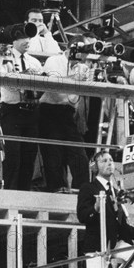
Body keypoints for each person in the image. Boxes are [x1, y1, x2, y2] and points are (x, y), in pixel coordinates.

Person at [38, 34, 92, 192]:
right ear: (72, 48)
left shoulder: (82, 67)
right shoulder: (54, 60)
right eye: (83, 50)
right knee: (53, 156)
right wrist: (75, 79)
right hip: (50, 111)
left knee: (80, 157)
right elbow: (55, 90)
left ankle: (81, 193)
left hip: (68, 113)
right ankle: (57, 191)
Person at [0, 30, 43, 190]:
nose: (27, 40)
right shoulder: (2, 58)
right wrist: (22, 76)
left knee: (29, 154)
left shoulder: (34, 62)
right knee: (13, 154)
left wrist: (37, 80)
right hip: (12, 110)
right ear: (13, 40)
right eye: (22, 37)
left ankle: (24, 191)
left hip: (32, 110)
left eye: (28, 37)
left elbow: (44, 84)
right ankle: (10, 191)